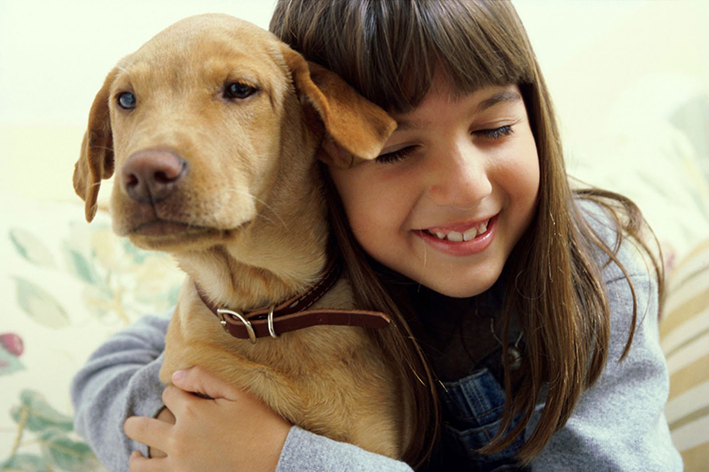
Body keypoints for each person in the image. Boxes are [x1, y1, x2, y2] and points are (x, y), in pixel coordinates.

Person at [70, 1, 683, 470]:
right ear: (322, 147)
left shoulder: (594, 270)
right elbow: (106, 371)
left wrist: (280, 458)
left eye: (495, 128)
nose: (465, 188)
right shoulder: (283, 274)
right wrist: (182, 429)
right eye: (398, 150)